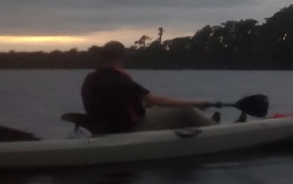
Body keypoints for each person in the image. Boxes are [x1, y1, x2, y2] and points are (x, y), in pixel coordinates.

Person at [81, 41, 218, 133]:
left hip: (104, 127)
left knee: (156, 108)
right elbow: (157, 100)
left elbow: (116, 104)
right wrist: (198, 103)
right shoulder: (121, 81)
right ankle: (216, 130)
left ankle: (204, 124)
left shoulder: (90, 79)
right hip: (130, 130)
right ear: (121, 56)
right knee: (184, 110)